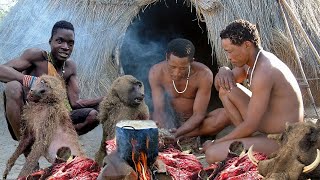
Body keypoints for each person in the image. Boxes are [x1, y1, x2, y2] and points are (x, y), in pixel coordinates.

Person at [192, 19, 304, 163]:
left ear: (247, 45)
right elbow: (221, 85)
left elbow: (251, 123)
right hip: (263, 127)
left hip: (283, 139)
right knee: (226, 89)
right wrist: (223, 70)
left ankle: (246, 141)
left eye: (230, 51)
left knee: (212, 154)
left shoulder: (264, 70)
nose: (228, 57)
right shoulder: (251, 62)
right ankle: (246, 140)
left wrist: (218, 142)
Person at [0, 20, 102, 141]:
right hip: (29, 117)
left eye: (70, 43)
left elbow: (76, 103)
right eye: (60, 41)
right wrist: (33, 81)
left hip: (54, 117)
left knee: (93, 115)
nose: (65, 47)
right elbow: (2, 70)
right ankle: (27, 146)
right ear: (50, 41)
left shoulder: (70, 67)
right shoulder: (37, 56)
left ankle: (60, 142)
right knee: (12, 87)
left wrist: (103, 99)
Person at [148, 38, 214, 140]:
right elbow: (159, 109)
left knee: (223, 115)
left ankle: (179, 136)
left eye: (183, 68)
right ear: (166, 57)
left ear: (191, 61)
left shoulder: (204, 74)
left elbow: (199, 114)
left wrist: (177, 133)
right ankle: (169, 136)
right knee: (143, 118)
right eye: (172, 67)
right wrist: (163, 130)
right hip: (168, 122)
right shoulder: (156, 72)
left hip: (193, 124)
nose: (177, 73)